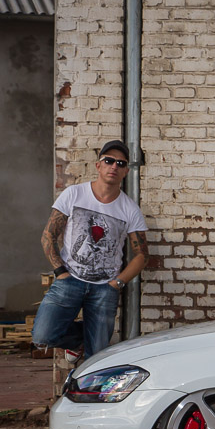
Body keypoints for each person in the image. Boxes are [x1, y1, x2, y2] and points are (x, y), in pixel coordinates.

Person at [32, 140, 148, 360]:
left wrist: (117, 284)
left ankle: (92, 355)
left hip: (105, 288)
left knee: (97, 355)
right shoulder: (74, 194)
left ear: (126, 171)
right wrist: (61, 273)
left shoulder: (129, 209)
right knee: (43, 336)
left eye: (121, 163)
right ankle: (80, 340)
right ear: (98, 165)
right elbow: (48, 236)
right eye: (109, 161)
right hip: (70, 280)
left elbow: (141, 255)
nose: (114, 166)